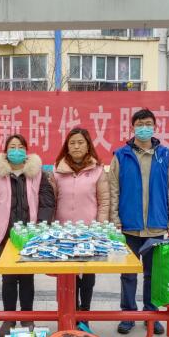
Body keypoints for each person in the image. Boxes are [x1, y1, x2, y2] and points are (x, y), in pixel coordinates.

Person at [109, 108, 169, 335]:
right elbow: (113, 190)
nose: (144, 128)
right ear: (132, 127)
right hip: (128, 226)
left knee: (153, 274)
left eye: (148, 124)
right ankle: (128, 315)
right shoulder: (121, 155)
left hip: (156, 225)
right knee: (128, 274)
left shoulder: (165, 155)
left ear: (155, 127)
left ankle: (151, 315)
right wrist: (115, 219)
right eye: (139, 124)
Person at [0, 134, 55, 337]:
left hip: (29, 236)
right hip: (4, 235)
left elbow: (47, 201)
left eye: (20, 146)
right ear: (6, 151)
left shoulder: (37, 173)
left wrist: (42, 226)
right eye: (12, 147)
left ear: (26, 150)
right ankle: (9, 319)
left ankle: (27, 317)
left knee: (28, 278)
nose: (16, 150)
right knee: (8, 279)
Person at [51, 128, 109, 317]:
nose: (76, 146)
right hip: (63, 233)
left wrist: (101, 228)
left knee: (88, 276)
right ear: (67, 146)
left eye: (80, 142)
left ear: (88, 145)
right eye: (72, 143)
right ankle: (71, 314)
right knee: (67, 277)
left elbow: (104, 202)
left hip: (90, 233)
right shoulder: (57, 170)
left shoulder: (98, 170)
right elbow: (51, 201)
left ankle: (85, 314)